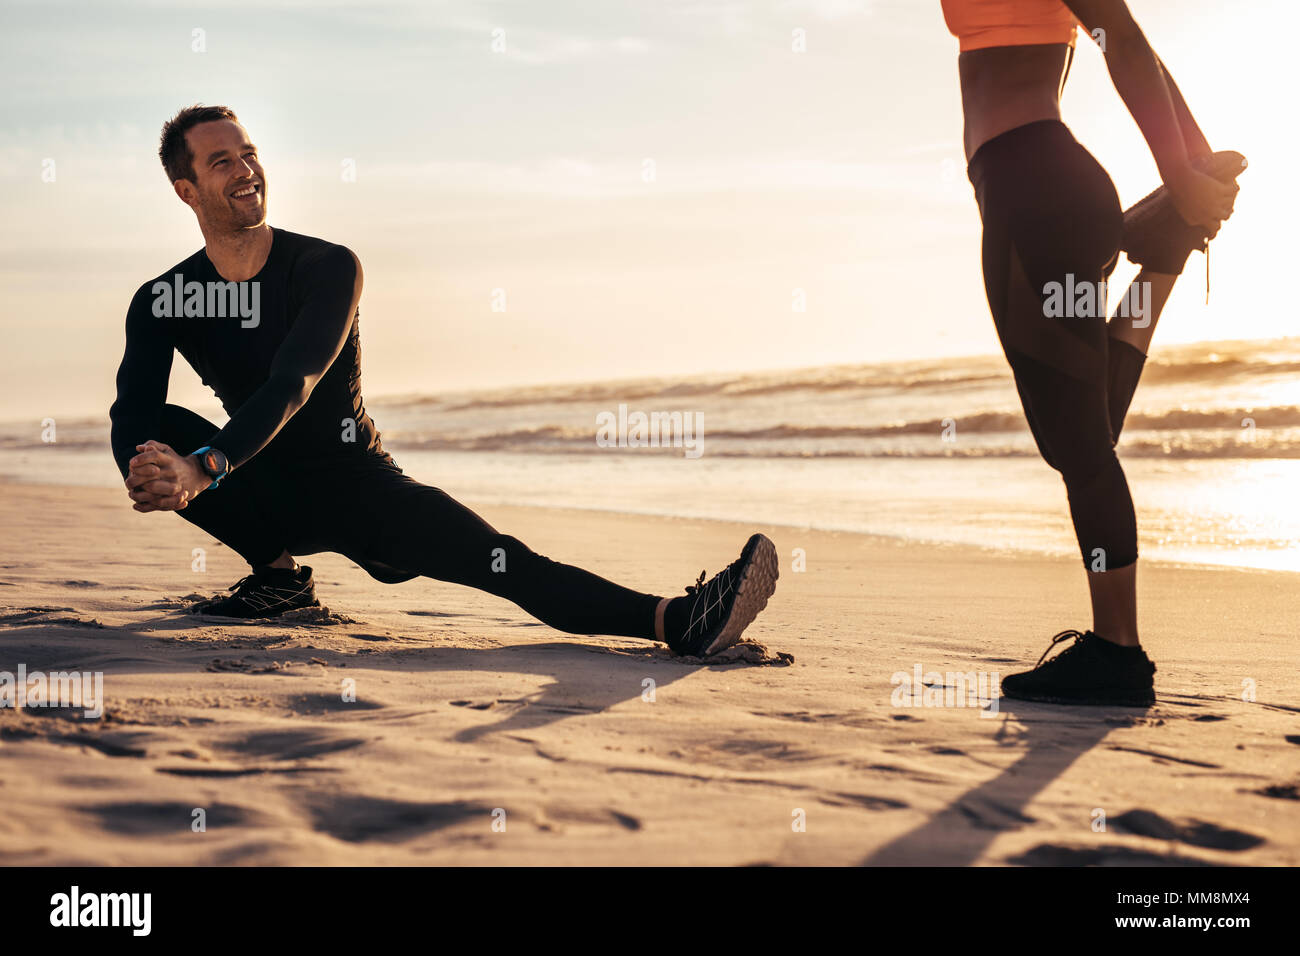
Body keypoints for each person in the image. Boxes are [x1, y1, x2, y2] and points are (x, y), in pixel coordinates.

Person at [109, 104, 778, 658]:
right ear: (187, 190)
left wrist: (207, 465)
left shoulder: (324, 266)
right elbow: (132, 409)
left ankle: (679, 620)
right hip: (258, 489)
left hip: (356, 487)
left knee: (504, 563)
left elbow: (295, 381)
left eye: (249, 153)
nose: (246, 170)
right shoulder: (165, 297)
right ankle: (279, 579)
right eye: (221, 161)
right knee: (151, 427)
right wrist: (152, 471)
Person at [940, 0, 1242, 704]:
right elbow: (1137, 45)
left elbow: (1125, 41)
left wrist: (1185, 177)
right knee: (1083, 429)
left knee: (1077, 446)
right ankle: (1163, 255)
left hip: (1035, 196)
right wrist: (1190, 166)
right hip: (1041, 194)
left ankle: (1118, 654)